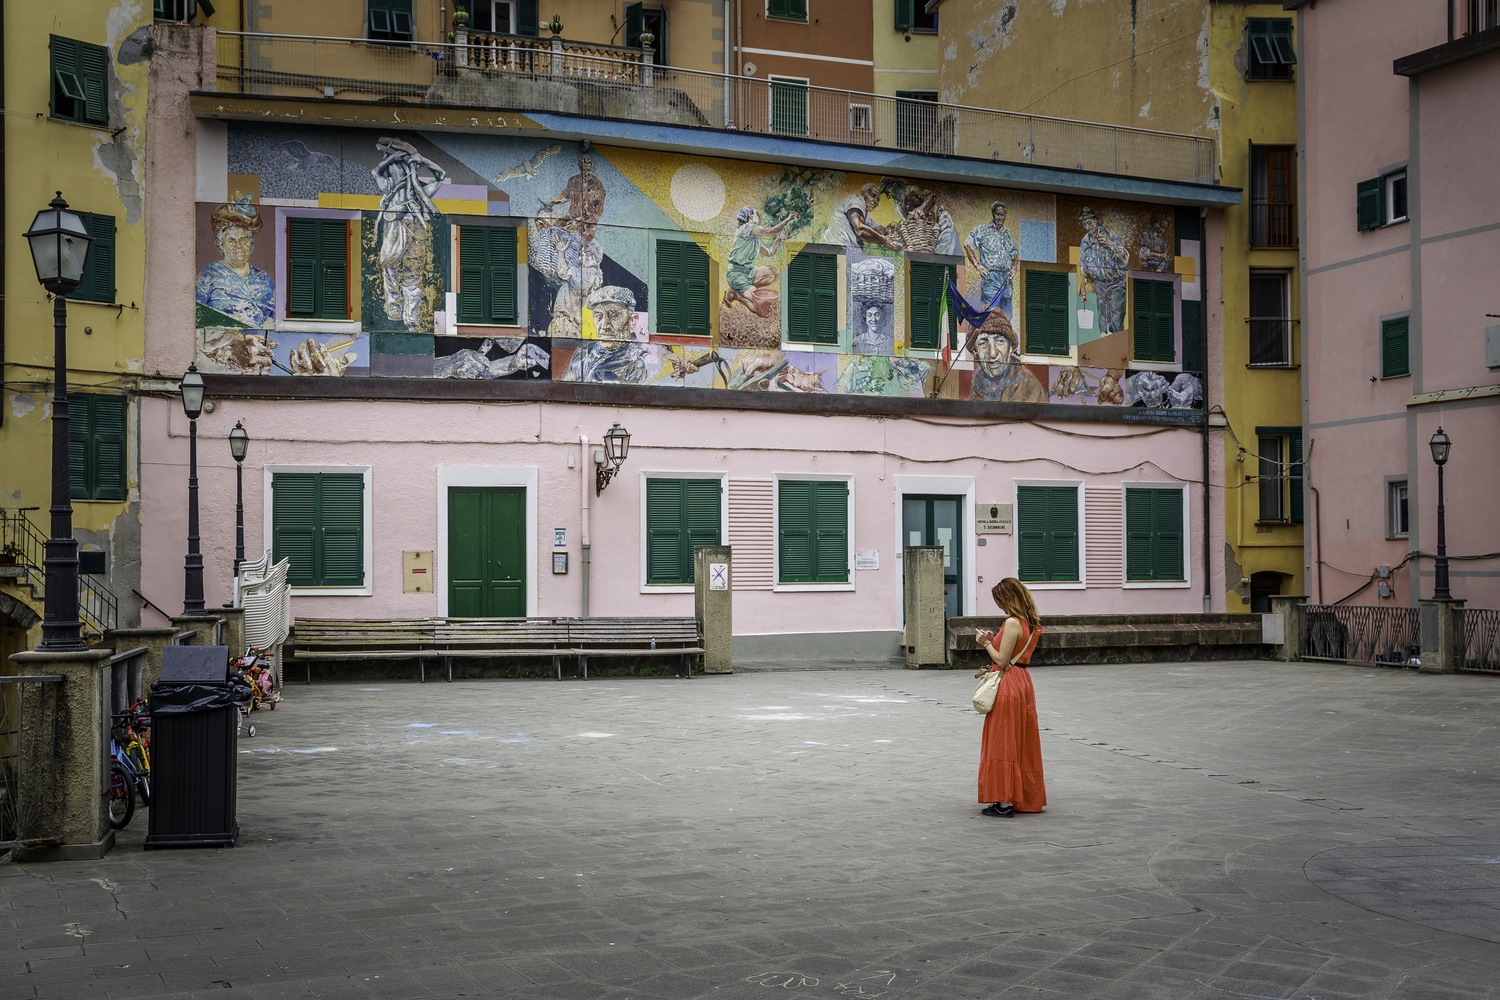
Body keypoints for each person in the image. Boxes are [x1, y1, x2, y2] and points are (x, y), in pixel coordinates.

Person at [973, 577, 1046, 817]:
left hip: (1008, 684)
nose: (1000, 606)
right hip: (1023, 682)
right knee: (1022, 741)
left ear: (1008, 599)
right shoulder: (1031, 623)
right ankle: (1023, 797)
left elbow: (1002, 660)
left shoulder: (1012, 622)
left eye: (1000, 601)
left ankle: (1004, 803)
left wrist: (985, 643)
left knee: (1003, 740)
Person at [371, 137, 447, 330]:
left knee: (412, 278)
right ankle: (394, 314)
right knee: (390, 273)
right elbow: (376, 171)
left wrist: (422, 160)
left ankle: (411, 319)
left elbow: (441, 175)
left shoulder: (421, 193)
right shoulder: (388, 190)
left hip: (415, 233)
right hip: (394, 234)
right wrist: (393, 157)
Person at [196, 202, 275, 328]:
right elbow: (195, 314)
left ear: (251, 244)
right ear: (221, 245)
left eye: (243, 240)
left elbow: (273, 320)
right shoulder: (211, 274)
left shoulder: (263, 278)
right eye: (231, 241)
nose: (238, 246)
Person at [723, 206, 792, 317]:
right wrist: (787, 220)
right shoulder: (747, 228)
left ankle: (742, 290)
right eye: (757, 214)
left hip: (749, 272)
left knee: (773, 273)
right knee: (762, 309)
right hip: (737, 274)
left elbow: (769, 253)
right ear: (751, 216)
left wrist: (778, 239)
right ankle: (737, 296)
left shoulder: (754, 237)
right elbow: (770, 231)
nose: (760, 217)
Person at [970, 312, 1046, 403]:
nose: (992, 353)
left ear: (1010, 348)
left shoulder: (1030, 388)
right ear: (975, 352)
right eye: (983, 343)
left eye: (999, 341)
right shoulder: (976, 387)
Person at [1077, 206, 1129, 335]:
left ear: (1095, 220)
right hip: (1099, 285)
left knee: (1116, 322)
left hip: (1116, 284)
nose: (1088, 227)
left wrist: (1110, 244)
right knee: (1102, 324)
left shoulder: (1108, 234)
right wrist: (1082, 288)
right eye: (1084, 224)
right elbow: (1083, 266)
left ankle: (1117, 350)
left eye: (1089, 222)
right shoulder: (1085, 242)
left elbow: (1124, 260)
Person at [963, 200, 1020, 316]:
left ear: (1005, 215)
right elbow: (967, 244)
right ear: (993, 214)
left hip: (1006, 279)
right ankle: (990, 333)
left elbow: (1016, 254)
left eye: (1002, 214)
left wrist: (1014, 269)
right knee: (990, 312)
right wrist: (977, 266)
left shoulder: (1007, 234)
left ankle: (1004, 333)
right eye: (997, 214)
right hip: (991, 277)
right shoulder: (982, 230)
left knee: (1007, 313)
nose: (1000, 217)